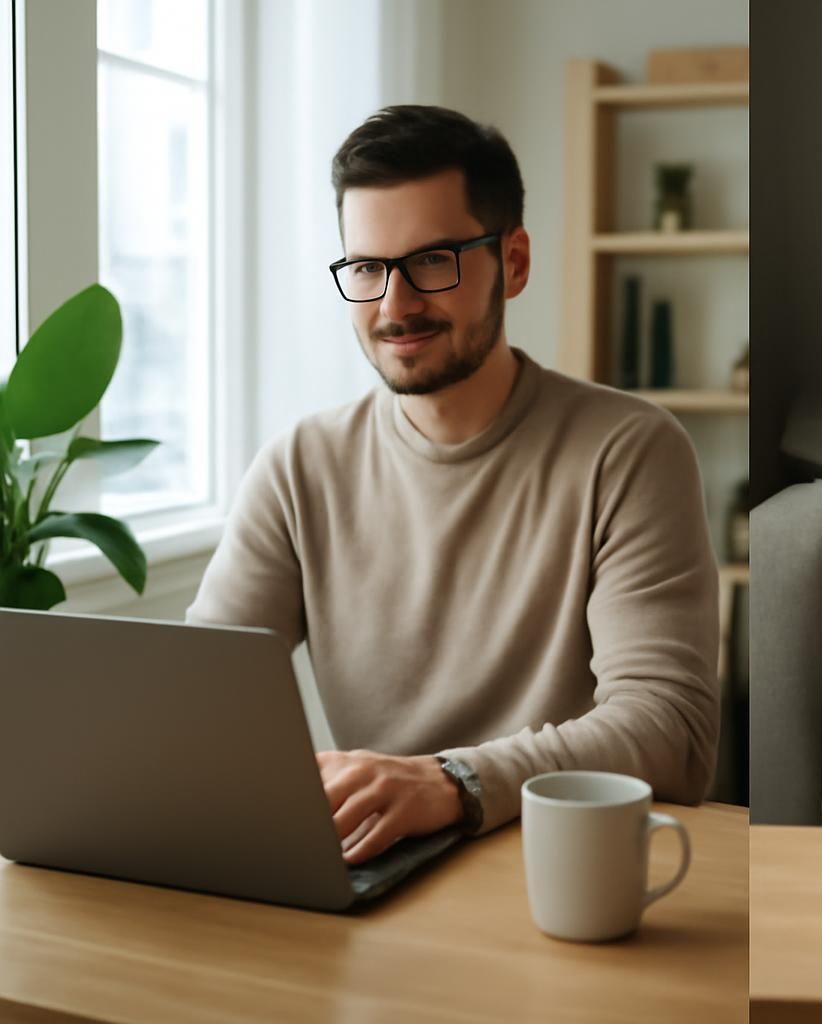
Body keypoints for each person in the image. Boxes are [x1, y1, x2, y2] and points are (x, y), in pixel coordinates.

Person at [187, 105, 719, 865]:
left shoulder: (629, 452)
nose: (394, 306)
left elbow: (670, 730)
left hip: (559, 861)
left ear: (516, 260)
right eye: (367, 268)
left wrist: (452, 783)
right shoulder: (299, 467)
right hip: (378, 866)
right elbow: (201, 698)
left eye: (433, 260)